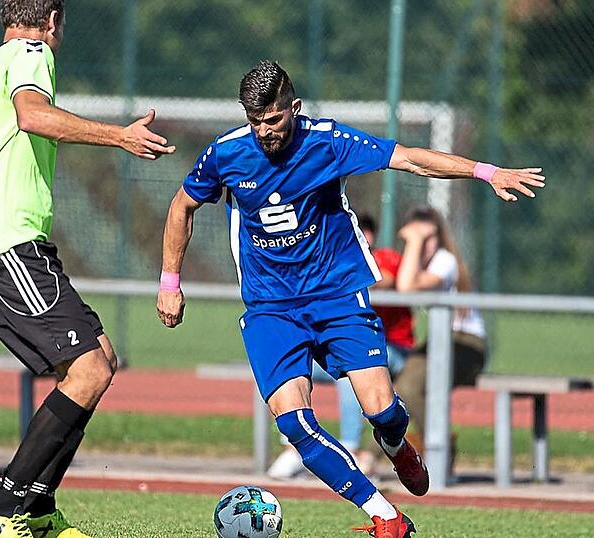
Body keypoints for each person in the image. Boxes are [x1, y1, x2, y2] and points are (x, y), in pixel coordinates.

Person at [156, 60, 542, 537]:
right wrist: (170, 282)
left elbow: (411, 158)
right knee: (295, 425)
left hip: (336, 297)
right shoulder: (226, 154)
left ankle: (398, 446)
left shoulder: (328, 142)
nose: (263, 132)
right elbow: (182, 206)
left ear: (293, 108)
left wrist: (485, 172)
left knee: (382, 411)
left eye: (273, 120)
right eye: (254, 120)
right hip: (271, 307)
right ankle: (385, 517)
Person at [0, 2, 175, 537]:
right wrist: (120, 136)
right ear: (51, 19)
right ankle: (4, 507)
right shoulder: (30, 53)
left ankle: (39, 506)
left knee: (99, 360)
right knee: (90, 369)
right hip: (11, 246)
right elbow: (33, 115)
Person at [266, 213, 414, 480]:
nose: (362, 236)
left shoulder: (381, 258)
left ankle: (351, 448)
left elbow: (386, 279)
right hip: (338, 347)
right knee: (284, 369)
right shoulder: (326, 258)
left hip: (393, 350)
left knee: (350, 372)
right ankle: (292, 447)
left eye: (366, 232)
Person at [393, 206, 487, 447]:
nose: (423, 244)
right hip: (442, 340)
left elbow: (406, 287)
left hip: (467, 343)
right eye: (416, 237)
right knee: (402, 389)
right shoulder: (418, 264)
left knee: (408, 387)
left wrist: (414, 240)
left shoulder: (444, 260)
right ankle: (375, 453)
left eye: (428, 238)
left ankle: (440, 448)